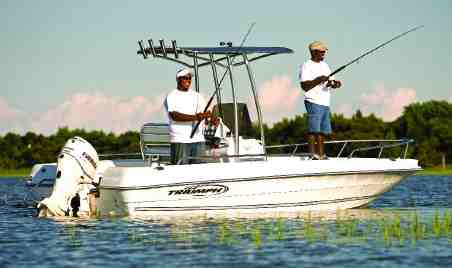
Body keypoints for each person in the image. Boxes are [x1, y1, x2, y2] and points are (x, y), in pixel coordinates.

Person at [299, 41, 342, 160]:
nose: (324, 53)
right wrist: (318, 79)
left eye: (324, 51)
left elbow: (331, 81)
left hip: (325, 103)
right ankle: (312, 155)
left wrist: (335, 84)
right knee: (314, 130)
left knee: (322, 132)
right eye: (321, 51)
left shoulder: (325, 65)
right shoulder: (306, 65)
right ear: (313, 52)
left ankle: (321, 155)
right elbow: (304, 86)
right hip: (313, 101)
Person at [164, 68, 215, 164]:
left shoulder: (197, 96)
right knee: (180, 172)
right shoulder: (171, 96)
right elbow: (174, 115)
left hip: (198, 140)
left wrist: (211, 118)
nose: (188, 80)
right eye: (185, 78)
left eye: (190, 78)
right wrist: (196, 117)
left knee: (199, 172)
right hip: (180, 140)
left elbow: (206, 114)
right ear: (178, 79)